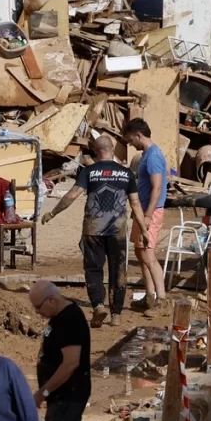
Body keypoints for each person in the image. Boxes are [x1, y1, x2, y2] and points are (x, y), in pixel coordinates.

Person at [40, 134, 150, 326]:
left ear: (96, 151)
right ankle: (116, 315)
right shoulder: (127, 173)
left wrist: (52, 213)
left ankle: (98, 305)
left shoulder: (89, 172)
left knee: (93, 268)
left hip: (93, 229)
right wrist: (144, 230)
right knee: (119, 270)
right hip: (117, 230)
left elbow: (72, 195)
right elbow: (135, 203)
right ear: (113, 148)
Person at [28, 282, 91, 421]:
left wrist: (44, 392)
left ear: (51, 300)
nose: (37, 312)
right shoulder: (59, 315)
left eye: (38, 307)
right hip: (59, 397)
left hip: (68, 396)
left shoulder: (70, 320)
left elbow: (70, 363)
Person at [123, 118, 168, 311]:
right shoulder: (148, 155)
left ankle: (162, 298)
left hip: (150, 212)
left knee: (148, 254)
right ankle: (149, 295)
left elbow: (157, 187)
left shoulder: (153, 156)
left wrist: (148, 216)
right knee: (140, 252)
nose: (131, 144)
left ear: (138, 135)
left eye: (131, 140)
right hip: (142, 211)